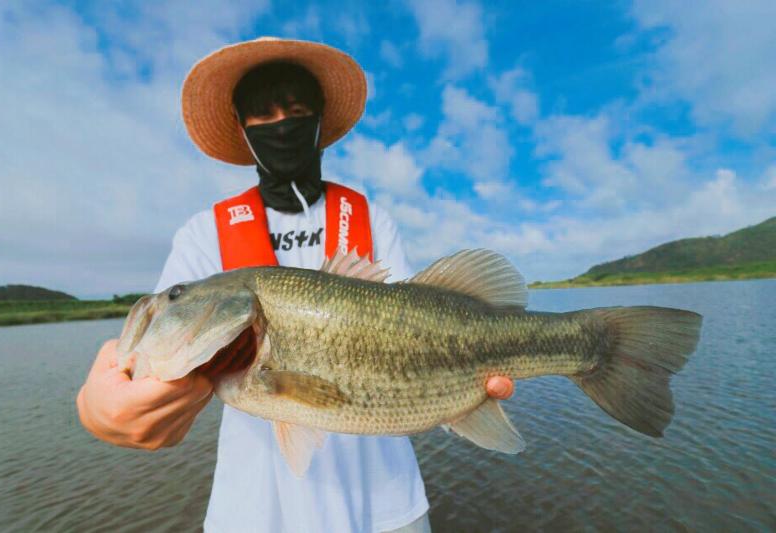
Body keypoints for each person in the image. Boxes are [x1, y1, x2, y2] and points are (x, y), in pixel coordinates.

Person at [76, 37, 515, 533]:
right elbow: (155, 374)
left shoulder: (371, 218)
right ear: (241, 129)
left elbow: (418, 327)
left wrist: (465, 390)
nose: (280, 121)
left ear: (320, 120)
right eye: (261, 112)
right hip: (253, 514)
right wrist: (98, 408)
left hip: (388, 508)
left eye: (296, 107)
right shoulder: (205, 234)